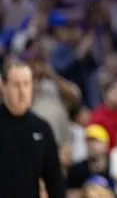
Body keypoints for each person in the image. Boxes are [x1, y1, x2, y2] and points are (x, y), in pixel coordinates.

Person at [0, 59, 65, 197]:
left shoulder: (41, 128)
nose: (22, 91)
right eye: (16, 85)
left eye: (26, 84)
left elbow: (54, 179)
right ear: (3, 86)